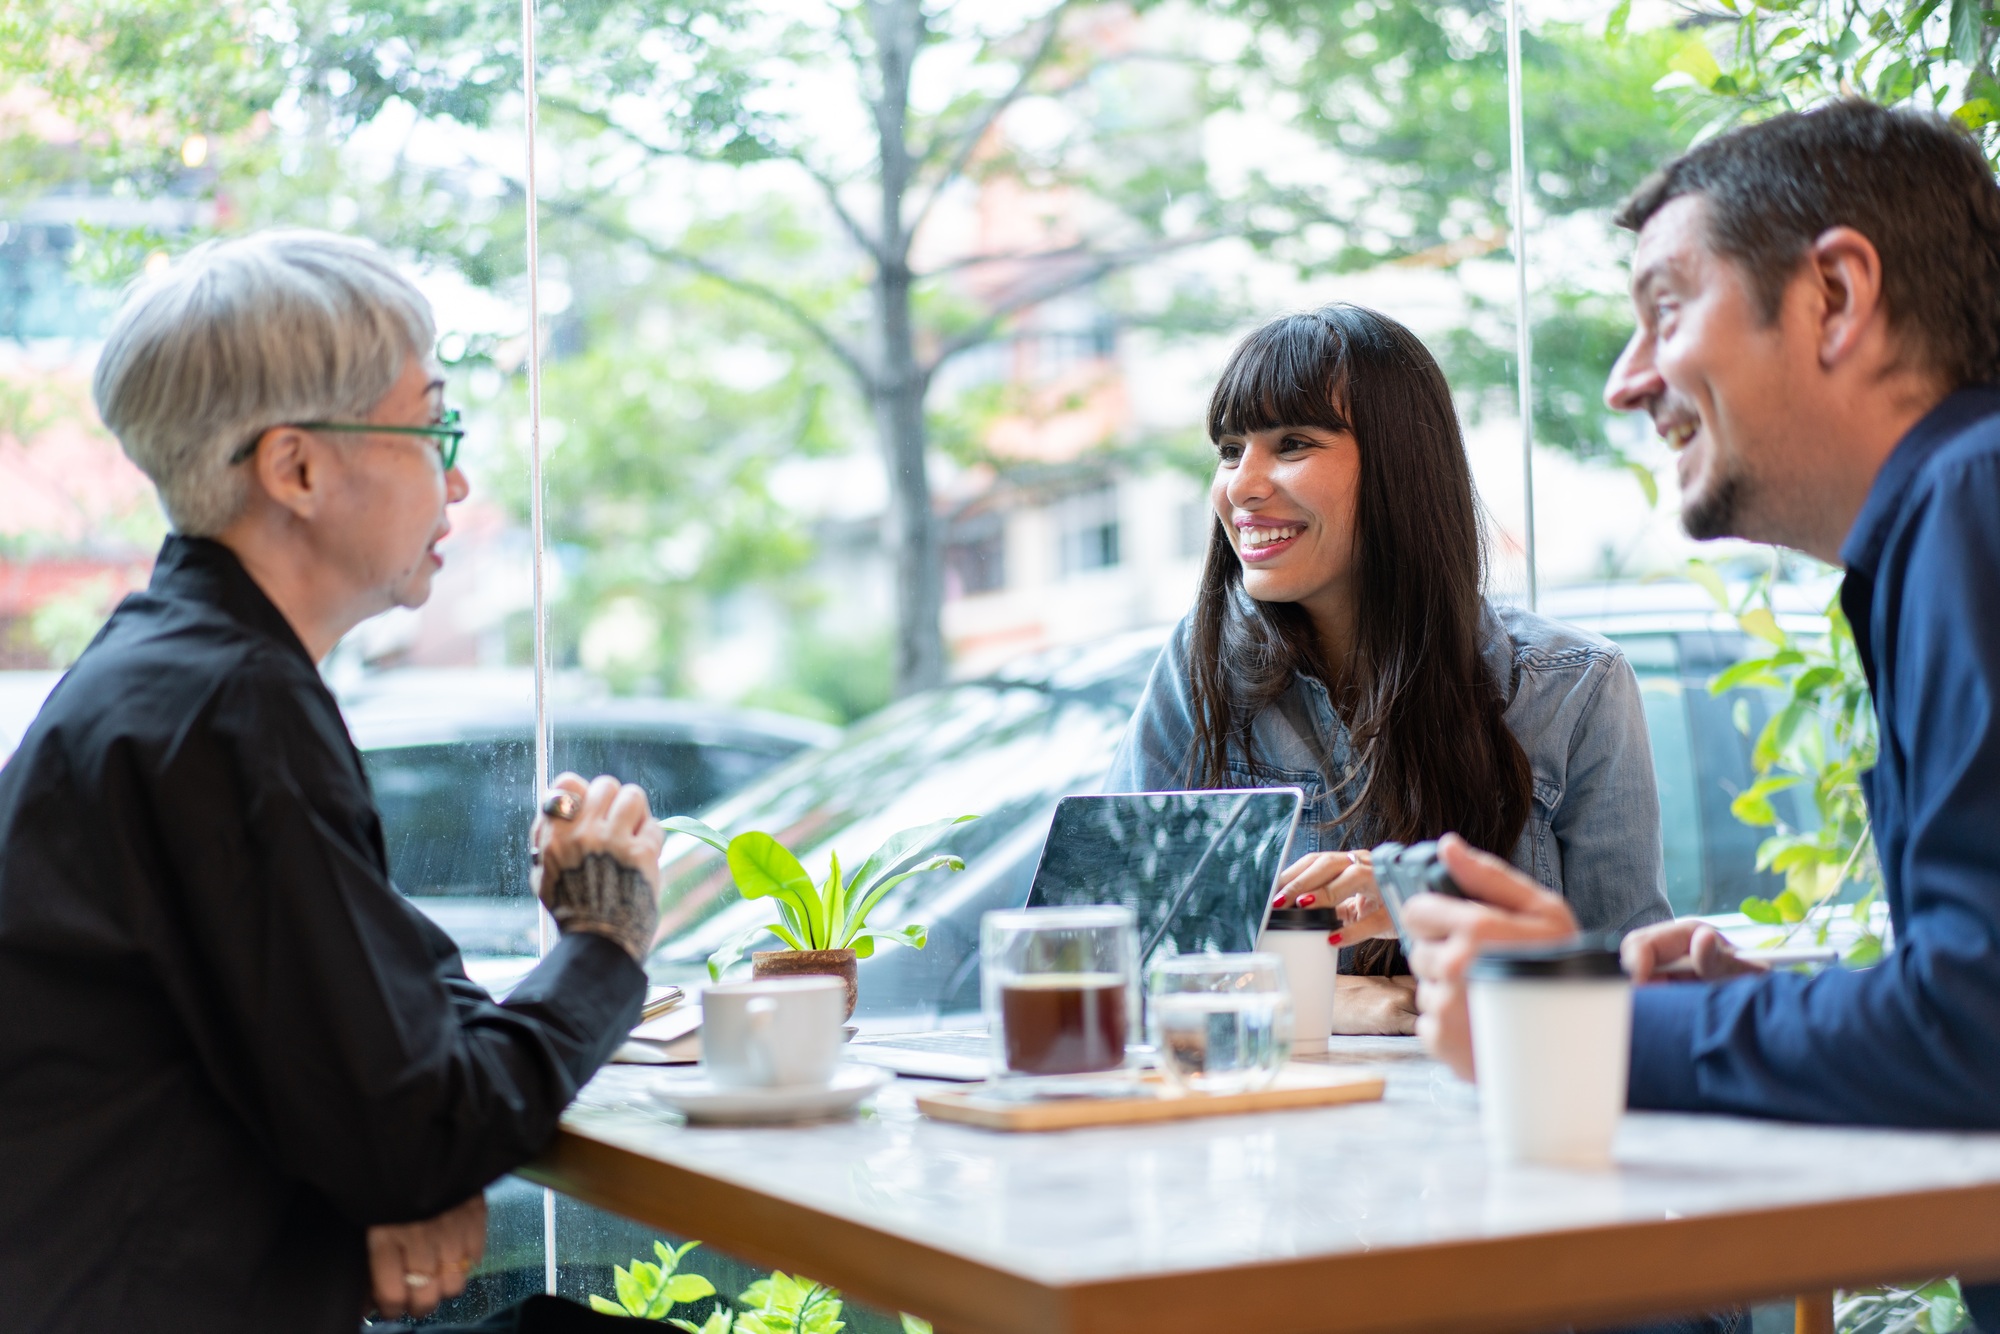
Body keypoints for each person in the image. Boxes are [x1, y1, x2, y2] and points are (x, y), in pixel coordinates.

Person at [1402, 99, 2000, 1329]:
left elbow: (1975, 1034)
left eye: (1665, 309)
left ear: (1833, 292)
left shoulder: (1969, 499)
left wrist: (1574, 1030)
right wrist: (1734, 1009)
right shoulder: (1947, 517)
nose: (1628, 380)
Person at [0, 230, 664, 1333]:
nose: (457, 477)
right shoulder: (228, 708)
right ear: (296, 468)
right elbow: (419, 1131)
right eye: (431, 425)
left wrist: (400, 1158)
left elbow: (378, 1014)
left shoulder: (169, 670)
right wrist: (604, 939)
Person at [1105, 303, 1672, 1034]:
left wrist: (1419, 904)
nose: (1240, 487)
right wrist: (1324, 1001)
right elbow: (1107, 955)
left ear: (1402, 467)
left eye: (1293, 443)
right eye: (1230, 449)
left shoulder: (1576, 688)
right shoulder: (1201, 670)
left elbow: (1627, 992)